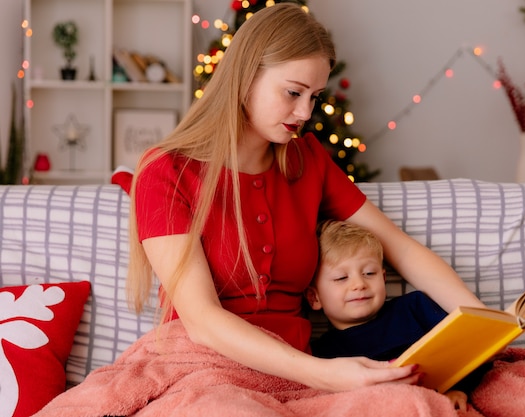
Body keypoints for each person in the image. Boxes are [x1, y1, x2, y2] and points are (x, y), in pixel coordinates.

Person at [126, 2, 486, 394]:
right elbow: (201, 321)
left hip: (300, 375)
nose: (304, 112)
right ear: (245, 77)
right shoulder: (165, 171)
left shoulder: (308, 159)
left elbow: (399, 248)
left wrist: (484, 322)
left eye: (313, 96)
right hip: (201, 371)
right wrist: (322, 374)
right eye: (293, 92)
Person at [306, 220, 468, 410]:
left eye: (369, 273)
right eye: (342, 278)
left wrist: (459, 388)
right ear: (314, 298)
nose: (359, 284)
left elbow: (465, 351)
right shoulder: (323, 355)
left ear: (383, 279)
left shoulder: (415, 308)